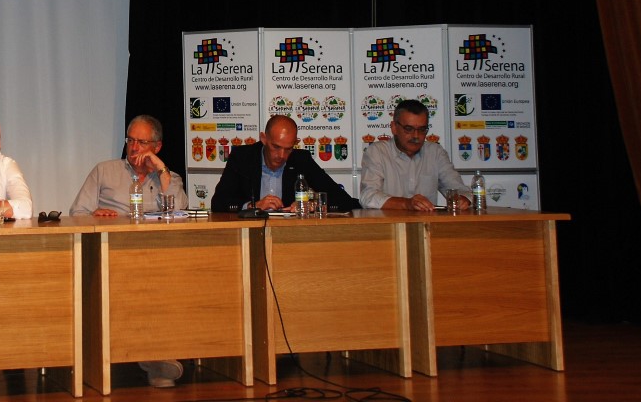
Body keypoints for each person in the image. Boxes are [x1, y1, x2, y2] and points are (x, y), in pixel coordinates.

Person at [68, 114, 188, 388]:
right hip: (111, 255)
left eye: (142, 142)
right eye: (130, 140)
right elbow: (76, 213)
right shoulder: (105, 171)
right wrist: (95, 215)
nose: (134, 148)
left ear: (157, 147)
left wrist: (161, 170)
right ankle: (153, 358)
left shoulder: (169, 178)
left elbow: (180, 210)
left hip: (156, 257)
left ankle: (155, 355)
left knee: (164, 282)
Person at [211, 115, 360, 213]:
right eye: (276, 147)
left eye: (288, 149)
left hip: (289, 235)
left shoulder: (301, 159)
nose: (281, 155)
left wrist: (312, 205)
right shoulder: (242, 157)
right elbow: (218, 203)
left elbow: (343, 200)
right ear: (264, 139)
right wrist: (252, 206)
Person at [359, 99, 472, 211]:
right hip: (389, 222)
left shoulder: (435, 152)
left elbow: (461, 191)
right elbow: (368, 196)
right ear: (394, 128)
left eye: (422, 129)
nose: (416, 136)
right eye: (409, 129)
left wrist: (463, 199)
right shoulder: (378, 151)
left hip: (426, 222)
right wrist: (406, 204)